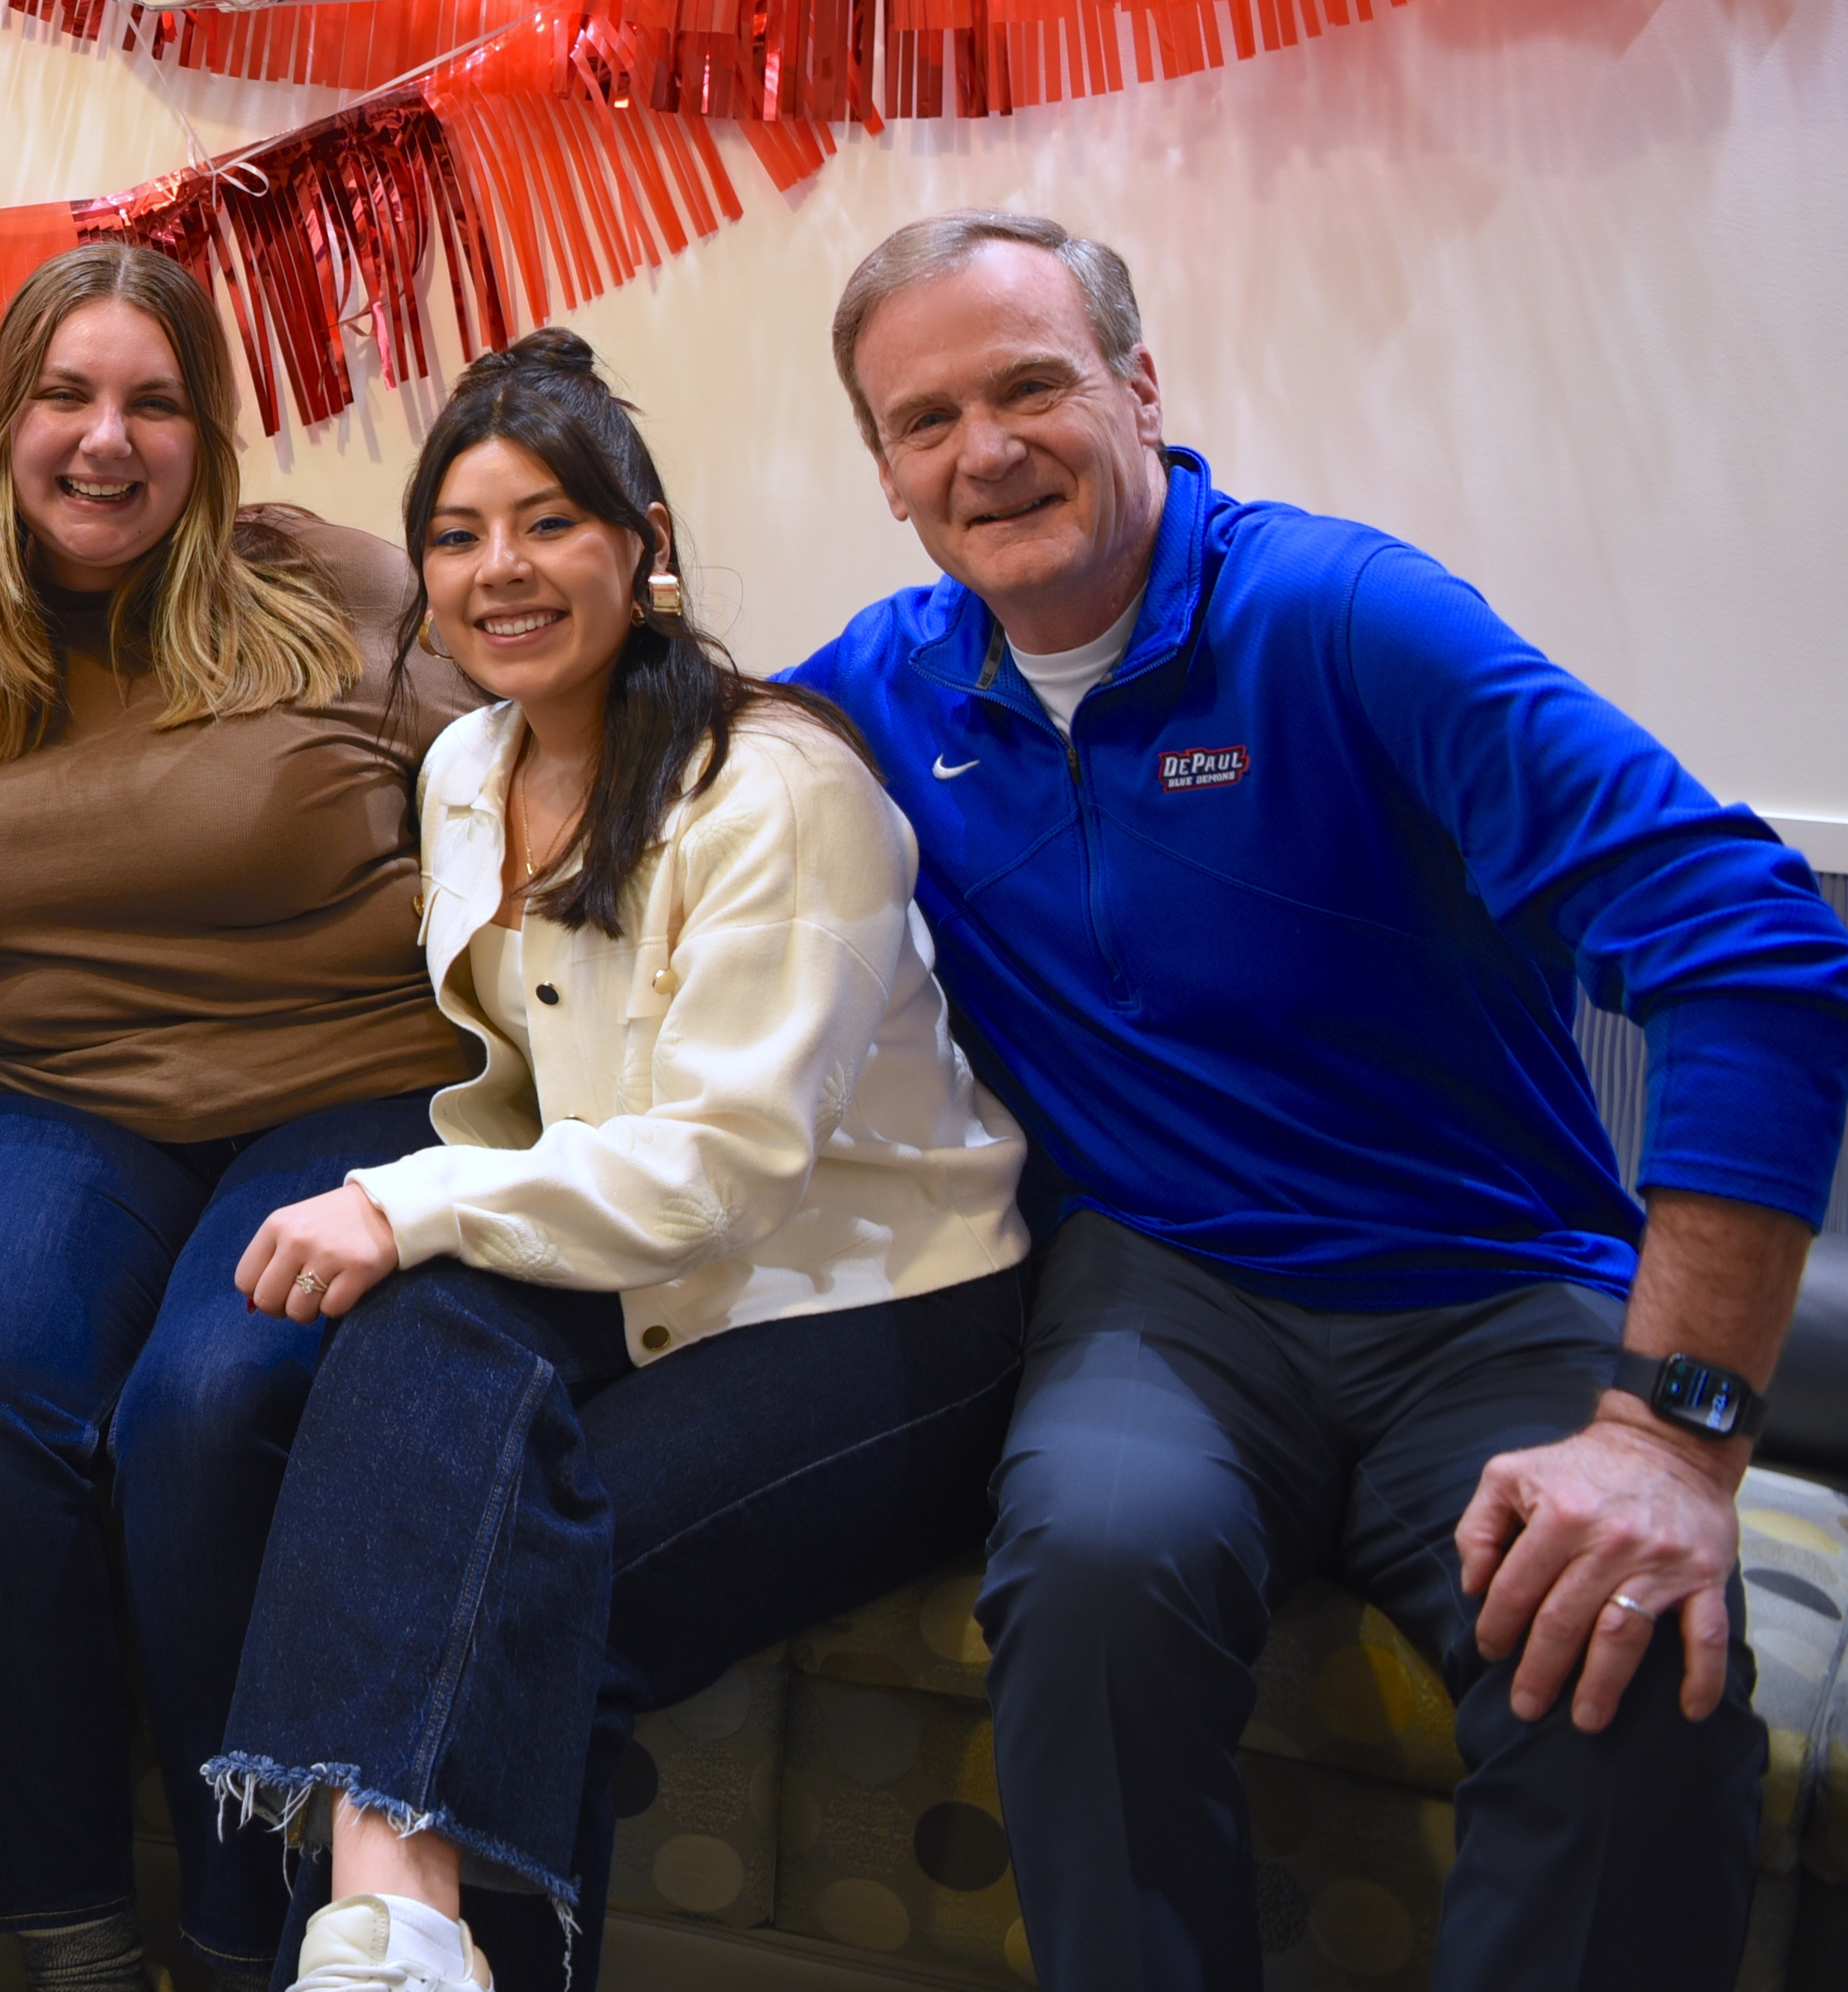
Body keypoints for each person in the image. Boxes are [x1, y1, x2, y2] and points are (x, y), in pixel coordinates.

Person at [788, 209, 1848, 1992]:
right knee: (1090, 1579)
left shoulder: (1346, 616)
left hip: (1487, 1286)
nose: (984, 449)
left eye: (1030, 383)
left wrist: (1670, 1434)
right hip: (1158, 1300)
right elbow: (637, 760)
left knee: (1623, 1663)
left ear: (1135, 386)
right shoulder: (873, 699)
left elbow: (1745, 942)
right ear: (884, 474)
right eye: (922, 420)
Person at [209, 331, 1031, 1992]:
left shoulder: (776, 788)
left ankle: (364, 1943)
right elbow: (537, 1103)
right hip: (635, 1259)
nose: (494, 569)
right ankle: (395, 1936)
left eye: (546, 524)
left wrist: (408, 1199)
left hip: (871, 1294)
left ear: (644, 548)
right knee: (398, 1338)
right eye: (453, 533)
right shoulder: (463, 766)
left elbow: (722, 1169)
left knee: (526, 1596)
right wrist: (423, 1218)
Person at [0, 241, 483, 1992]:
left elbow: (571, 723)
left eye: (151, 401)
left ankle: (244, 1944)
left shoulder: (348, 596)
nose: (104, 440)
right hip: (52, 1102)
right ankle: (66, 1937)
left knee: (207, 1410)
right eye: (63, 395)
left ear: (209, 430)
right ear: (4, 423)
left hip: (345, 1083)